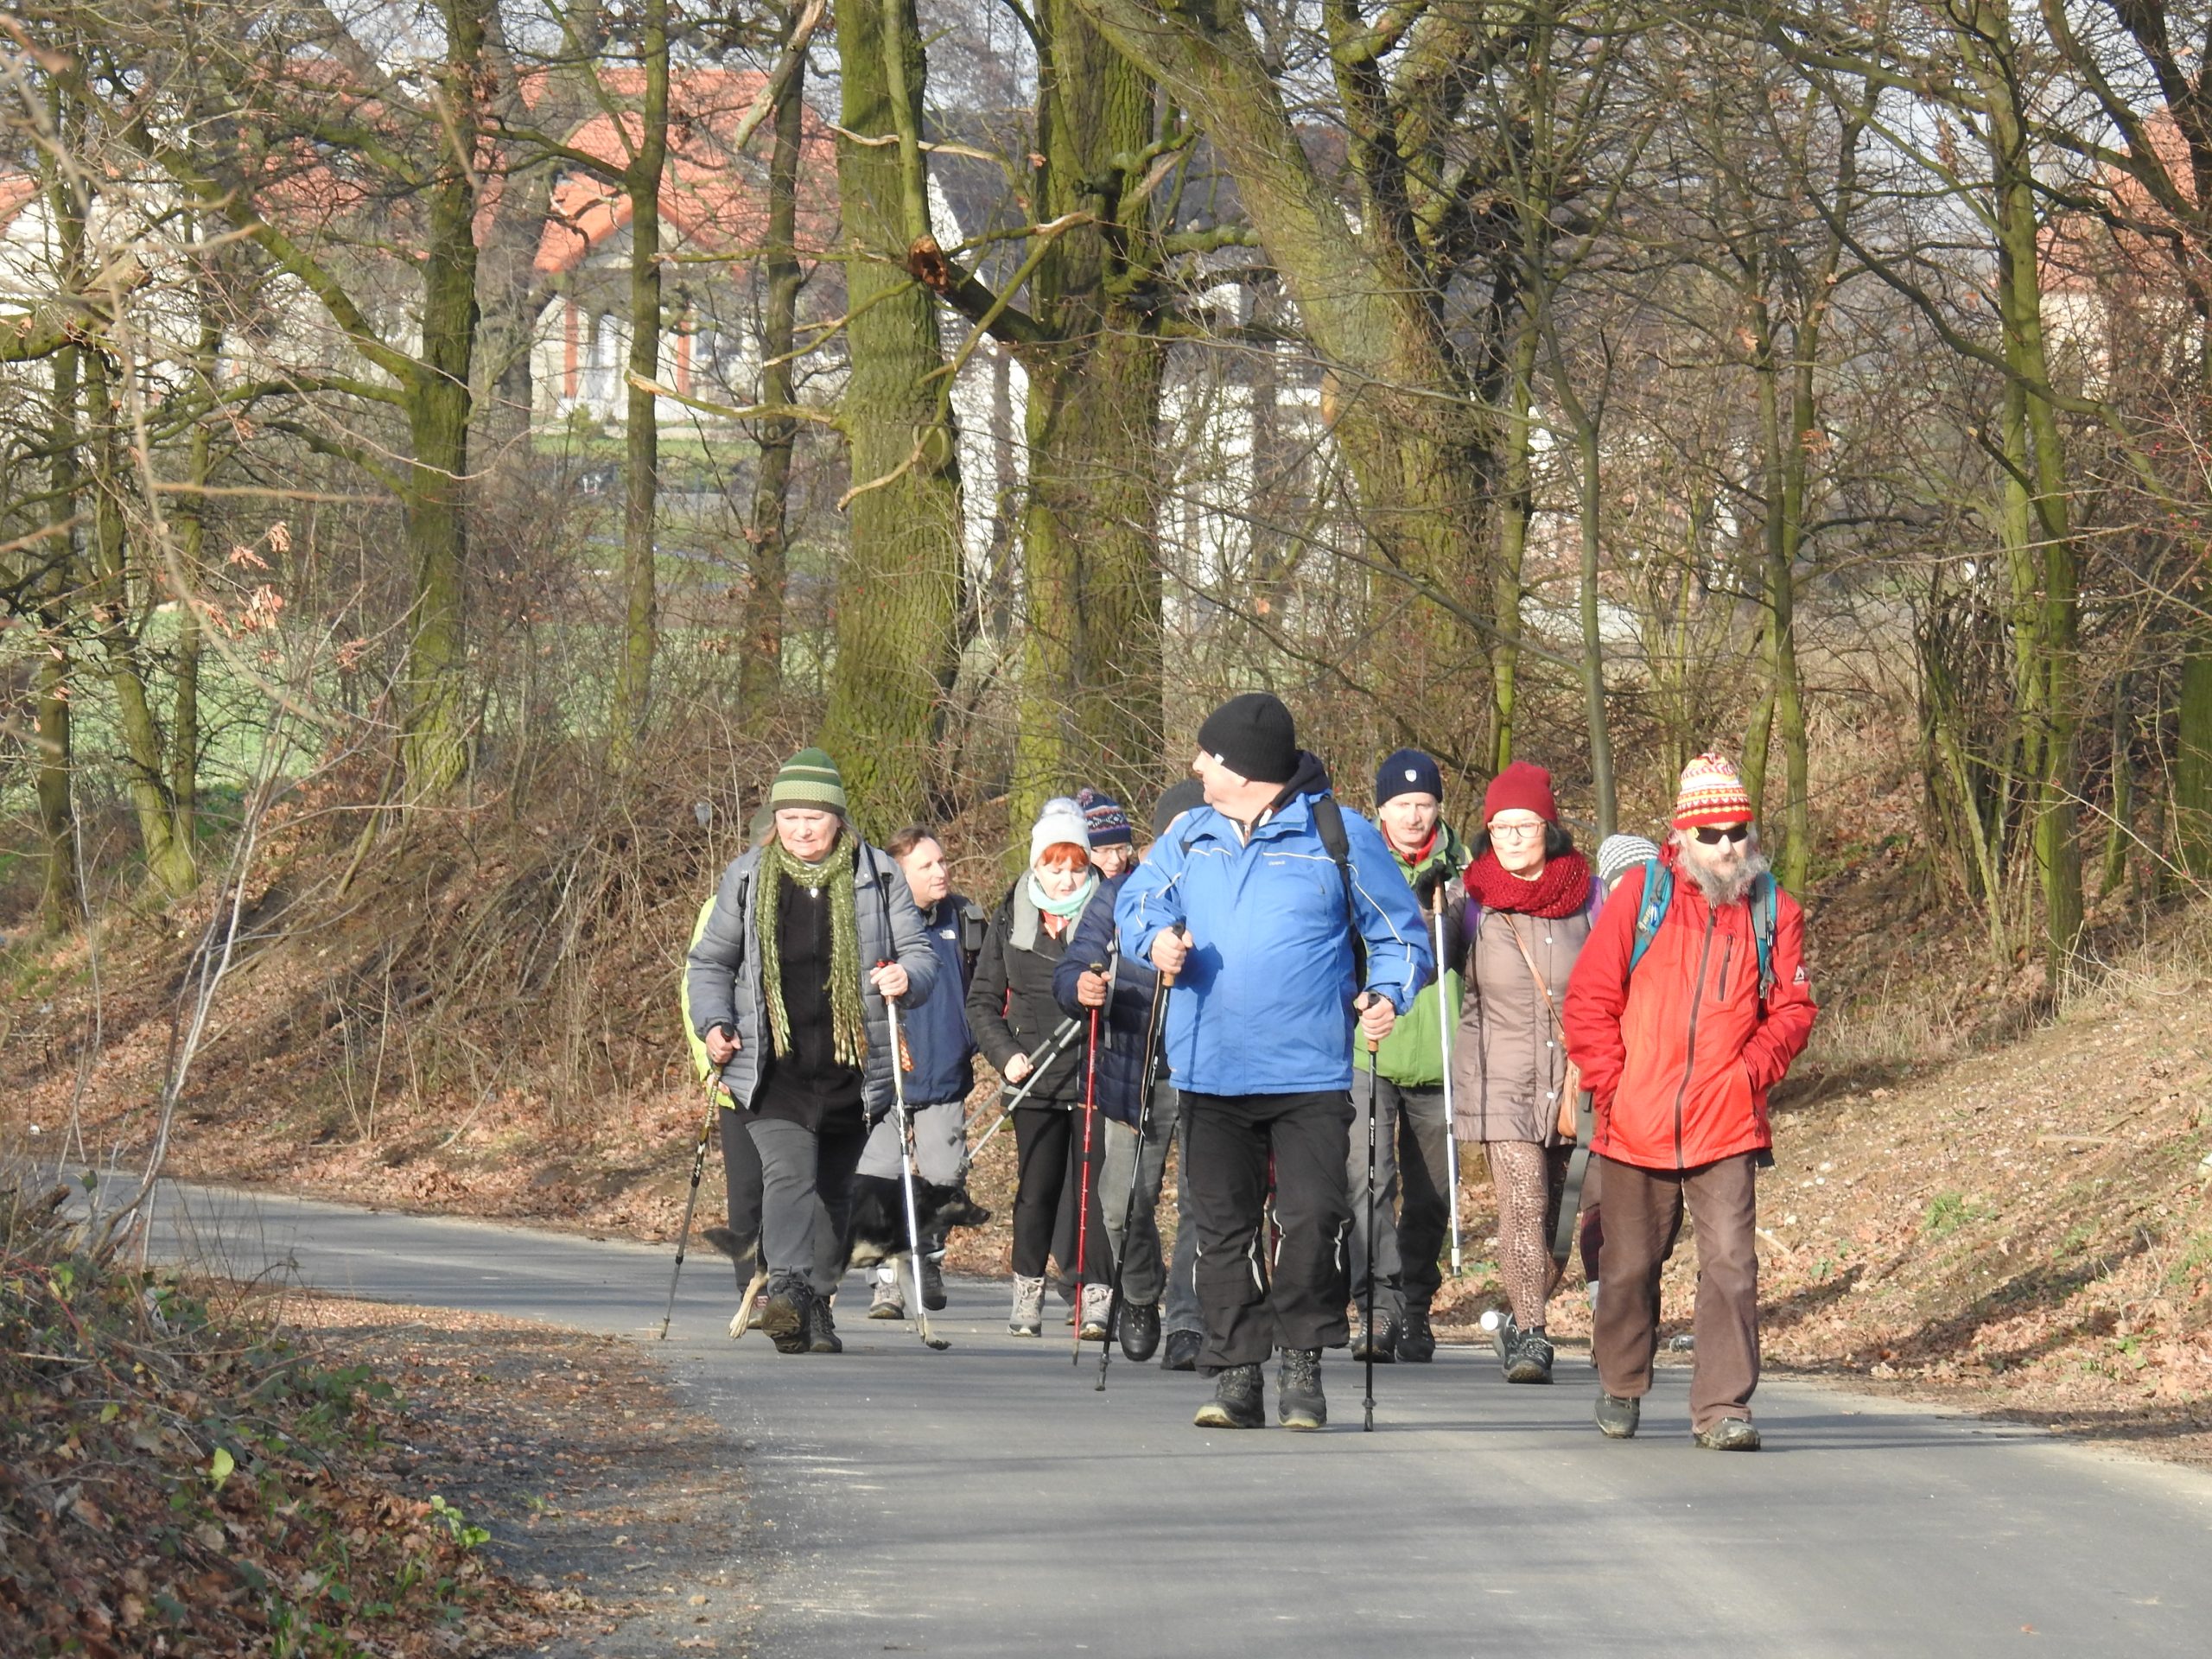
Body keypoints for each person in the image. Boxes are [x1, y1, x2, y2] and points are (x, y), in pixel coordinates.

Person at [1118, 693, 1431, 1431]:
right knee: (1223, 1231)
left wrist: (1388, 992)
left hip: (1309, 1075)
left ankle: (1302, 1362)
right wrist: (1156, 938)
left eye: (1208, 756)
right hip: (1210, 1072)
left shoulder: (1338, 837)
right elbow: (1135, 905)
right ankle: (1235, 1375)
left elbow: (1400, 935)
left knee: (1314, 1220)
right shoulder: (1189, 836)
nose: (1195, 766)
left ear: (1247, 771)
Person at [1562, 753, 1817, 1451]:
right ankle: (1620, 1380)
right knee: (1629, 1266)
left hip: (1727, 1122)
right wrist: (1611, 1083)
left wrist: (1750, 1074)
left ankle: (1723, 1408)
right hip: (1634, 1119)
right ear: (1681, 837)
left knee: (1732, 1266)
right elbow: (1589, 999)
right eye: (1711, 834)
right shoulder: (1642, 895)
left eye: (1738, 830)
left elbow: (1793, 1010)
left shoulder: (1775, 909)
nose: (1728, 846)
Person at [685, 748, 939, 1355]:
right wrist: (715, 1023)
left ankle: (819, 1301)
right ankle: (789, 1295)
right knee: (788, 1174)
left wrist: (906, 977)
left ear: (838, 819)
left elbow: (922, 955)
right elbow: (710, 963)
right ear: (776, 819)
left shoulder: (877, 877)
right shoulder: (748, 876)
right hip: (775, 1064)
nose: (802, 830)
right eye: (791, 817)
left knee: (834, 1190)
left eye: (814, 818)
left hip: (855, 1065)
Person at [1447, 760, 1605, 1385]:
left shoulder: (1588, 893)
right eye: (1500, 827)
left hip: (1574, 1077)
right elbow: (1424, 954)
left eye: (1525, 825)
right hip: (1499, 1076)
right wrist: (1424, 905)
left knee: (1566, 1215)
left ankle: (1520, 1314)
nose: (1512, 838)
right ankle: (1534, 1334)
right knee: (1522, 1202)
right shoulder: (1470, 899)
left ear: (1550, 827)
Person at [1053, 779, 1208, 1368]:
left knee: (1203, 1202)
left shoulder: (1228, 897)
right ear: (1160, 836)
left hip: (1207, 1068)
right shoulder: (1119, 893)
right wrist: (1082, 987)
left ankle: (1190, 1320)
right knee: (1122, 1204)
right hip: (1132, 1066)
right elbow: (1072, 966)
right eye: (1180, 832)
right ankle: (1141, 1292)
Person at [969, 798, 1115, 1338]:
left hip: (1098, 1070)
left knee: (1097, 1188)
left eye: (1076, 866)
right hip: (1033, 1073)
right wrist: (1007, 1057)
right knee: (1037, 1187)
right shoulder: (1011, 913)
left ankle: (1097, 1295)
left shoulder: (1113, 911)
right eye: (1054, 866)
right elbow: (981, 1002)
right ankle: (1027, 1287)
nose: (1066, 878)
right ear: (1036, 865)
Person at [1349, 749, 1468, 1365]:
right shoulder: (1360, 864)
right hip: (1370, 1052)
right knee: (1369, 1183)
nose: (1415, 816)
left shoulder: (1467, 871)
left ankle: (1416, 1307)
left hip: (1441, 1055)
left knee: (1430, 1196)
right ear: (1382, 810)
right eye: (1402, 805)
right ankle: (1374, 1308)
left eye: (1424, 804)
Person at [856, 826, 985, 1320]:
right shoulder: (876, 922)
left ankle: (927, 1256)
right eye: (926, 866)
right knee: (878, 1175)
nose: (941, 872)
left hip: (944, 1070)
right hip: (886, 1075)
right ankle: (886, 1280)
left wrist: (979, 1042)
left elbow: (987, 990)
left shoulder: (965, 918)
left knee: (944, 1173)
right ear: (898, 875)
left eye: (942, 862)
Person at [1576, 834, 1663, 1313]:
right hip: (1603, 1088)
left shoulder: (1678, 933)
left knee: (1647, 1216)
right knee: (1597, 1205)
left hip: (1657, 1092)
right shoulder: (1591, 932)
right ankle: (1604, 1311)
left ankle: (1631, 1311)